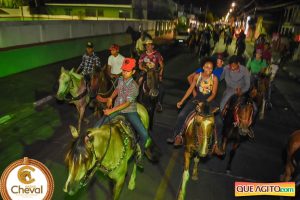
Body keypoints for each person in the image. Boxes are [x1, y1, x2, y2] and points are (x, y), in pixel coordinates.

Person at [94, 58, 155, 167]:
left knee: (144, 134)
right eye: (123, 70)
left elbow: (127, 103)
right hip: (117, 108)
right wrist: (111, 98)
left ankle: (139, 152)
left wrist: (111, 110)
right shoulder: (121, 79)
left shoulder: (134, 87)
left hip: (128, 112)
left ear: (133, 72)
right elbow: (117, 89)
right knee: (97, 125)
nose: (124, 72)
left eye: (127, 71)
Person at [166, 60, 222, 151]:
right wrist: (182, 101)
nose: (209, 69)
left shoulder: (214, 78)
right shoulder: (197, 76)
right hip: (197, 99)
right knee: (182, 115)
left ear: (213, 69)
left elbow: (214, 93)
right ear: (203, 67)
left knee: (219, 121)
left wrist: (204, 102)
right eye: (207, 67)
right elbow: (190, 89)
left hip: (209, 100)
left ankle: (217, 144)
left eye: (211, 68)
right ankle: (177, 136)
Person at [138, 39, 165, 112]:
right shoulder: (143, 55)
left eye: (149, 45)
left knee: (161, 87)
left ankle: (159, 103)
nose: (147, 47)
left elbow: (162, 65)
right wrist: (144, 68)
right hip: (146, 71)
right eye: (146, 46)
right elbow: (140, 66)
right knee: (139, 81)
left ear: (152, 46)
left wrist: (160, 74)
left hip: (155, 72)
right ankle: (136, 99)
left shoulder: (157, 54)